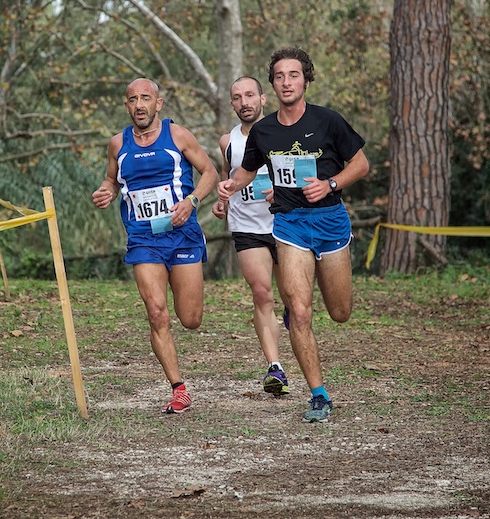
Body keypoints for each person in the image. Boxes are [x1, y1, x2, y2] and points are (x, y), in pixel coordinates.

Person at [217, 48, 369, 423]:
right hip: (289, 225)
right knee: (299, 312)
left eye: (294, 75)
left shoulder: (328, 121)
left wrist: (330, 183)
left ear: (306, 80)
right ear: (273, 83)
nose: (287, 82)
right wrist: (229, 187)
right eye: (280, 76)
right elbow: (247, 171)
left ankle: (321, 314)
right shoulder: (265, 130)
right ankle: (318, 395)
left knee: (339, 312)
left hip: (330, 221)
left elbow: (361, 163)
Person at [92, 78, 219, 414]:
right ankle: (179, 389)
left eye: (145, 98)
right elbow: (111, 179)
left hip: (182, 234)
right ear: (126, 106)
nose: (139, 105)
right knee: (156, 313)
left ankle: (182, 357)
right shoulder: (117, 143)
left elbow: (210, 173)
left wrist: (191, 201)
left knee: (190, 319)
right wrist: (107, 190)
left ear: (158, 104)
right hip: (143, 237)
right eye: (133, 99)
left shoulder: (177, 136)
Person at [212, 76, 290, 396]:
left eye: (249, 96)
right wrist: (222, 200)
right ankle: (275, 368)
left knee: (293, 298)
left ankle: (290, 312)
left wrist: (282, 190)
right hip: (247, 228)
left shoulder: (282, 132)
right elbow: (228, 176)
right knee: (261, 294)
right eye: (236, 97)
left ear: (263, 99)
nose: (243, 102)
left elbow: (300, 173)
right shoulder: (226, 141)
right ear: (232, 104)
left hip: (284, 224)